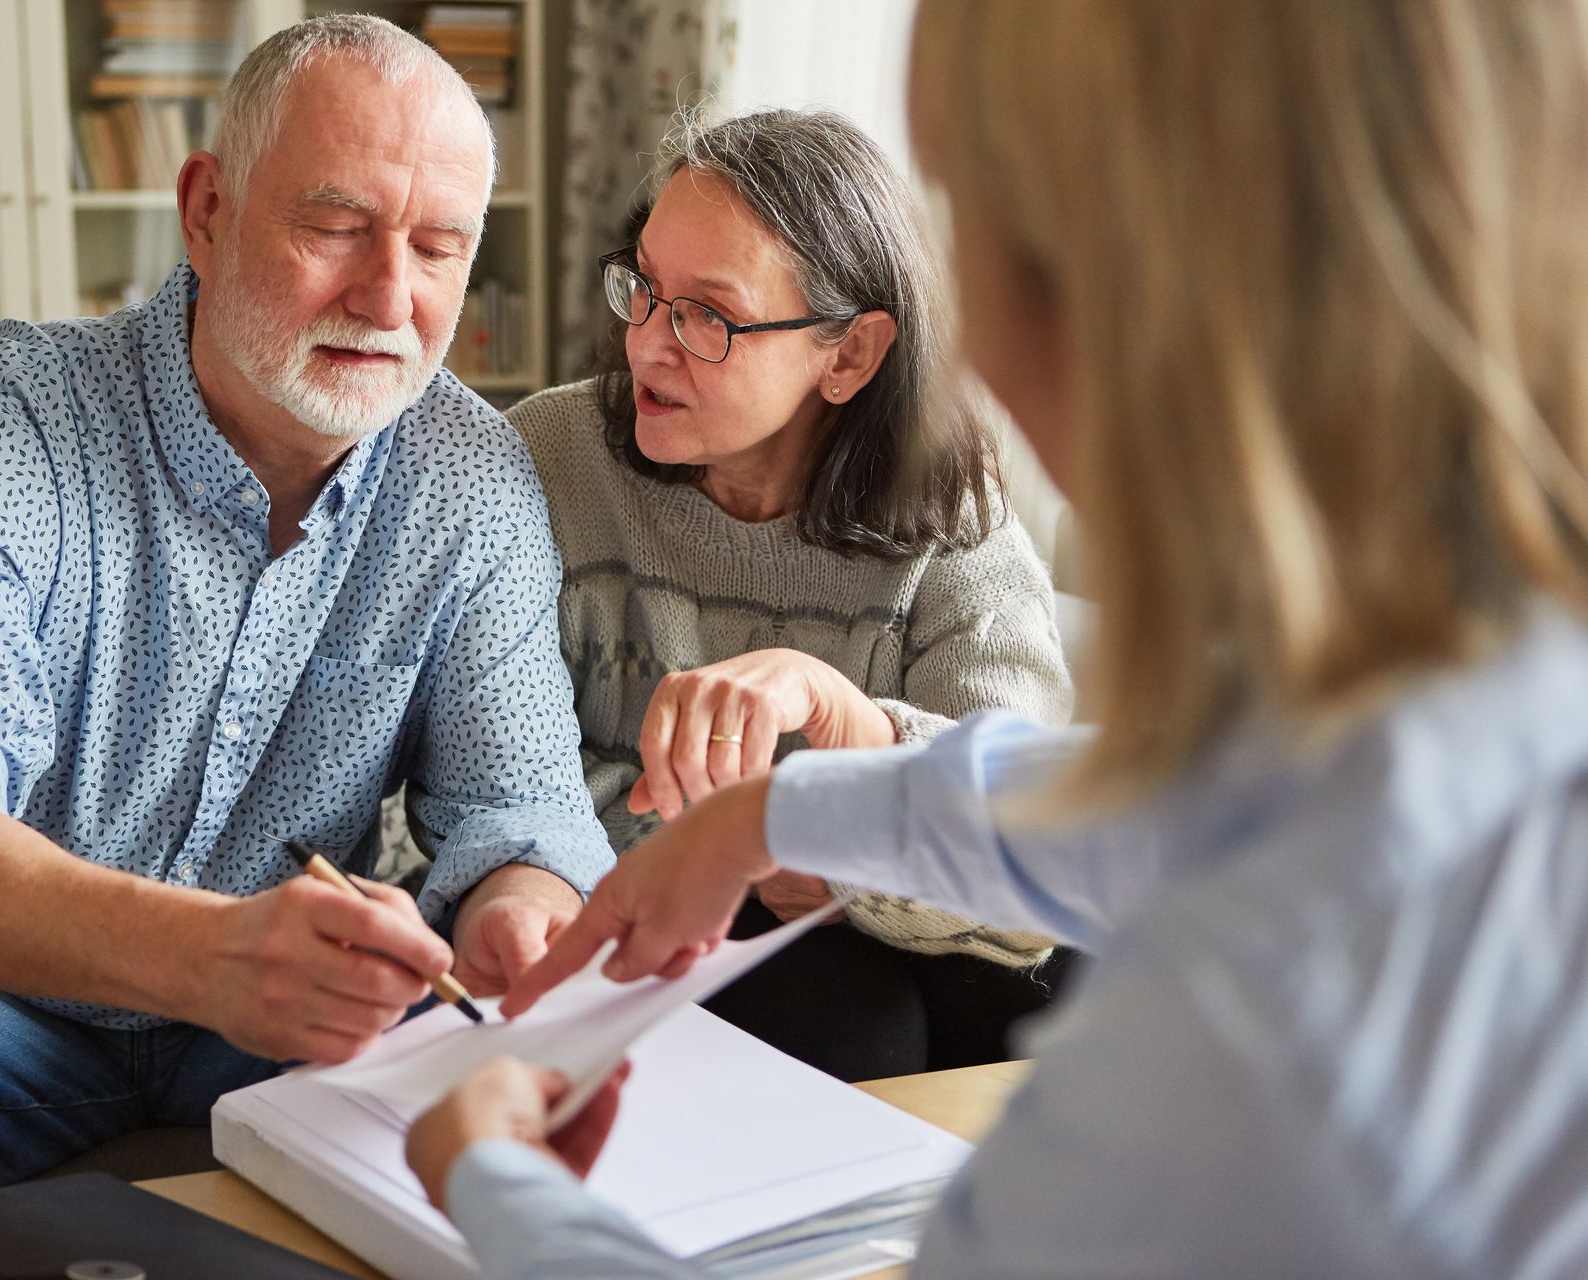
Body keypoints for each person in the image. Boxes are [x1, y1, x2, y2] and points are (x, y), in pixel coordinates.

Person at [405, 0, 1588, 1276]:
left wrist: (497, 1182)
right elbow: (1139, 796)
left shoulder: (1253, 1017)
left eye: (988, 233)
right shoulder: (1459, 693)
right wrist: (763, 821)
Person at [0, 16, 615, 1238]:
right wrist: (211, 952)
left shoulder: (471, 474)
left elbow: (521, 808)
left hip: (303, 1010)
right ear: (207, 208)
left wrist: (519, 923)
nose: (391, 297)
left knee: (550, 1138)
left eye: (440, 248)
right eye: (335, 227)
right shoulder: (8, 413)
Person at [504, 107, 1073, 1081]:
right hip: (645, 906)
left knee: (1054, 995)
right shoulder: (546, 460)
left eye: (707, 317)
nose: (646, 344)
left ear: (848, 355)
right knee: (853, 1023)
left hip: (880, 915)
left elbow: (1033, 835)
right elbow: (500, 774)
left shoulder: (949, 502)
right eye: (643, 288)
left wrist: (851, 779)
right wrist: (757, 836)